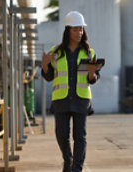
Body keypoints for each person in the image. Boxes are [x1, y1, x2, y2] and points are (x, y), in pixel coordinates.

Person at [41, 11, 102, 172]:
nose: (79, 33)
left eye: (81, 29)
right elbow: (48, 77)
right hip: (61, 99)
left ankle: (76, 168)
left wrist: (91, 73)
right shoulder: (56, 52)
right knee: (61, 135)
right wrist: (45, 66)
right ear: (68, 31)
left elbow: (94, 78)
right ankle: (68, 160)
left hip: (81, 99)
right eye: (75, 29)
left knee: (79, 137)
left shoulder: (90, 52)